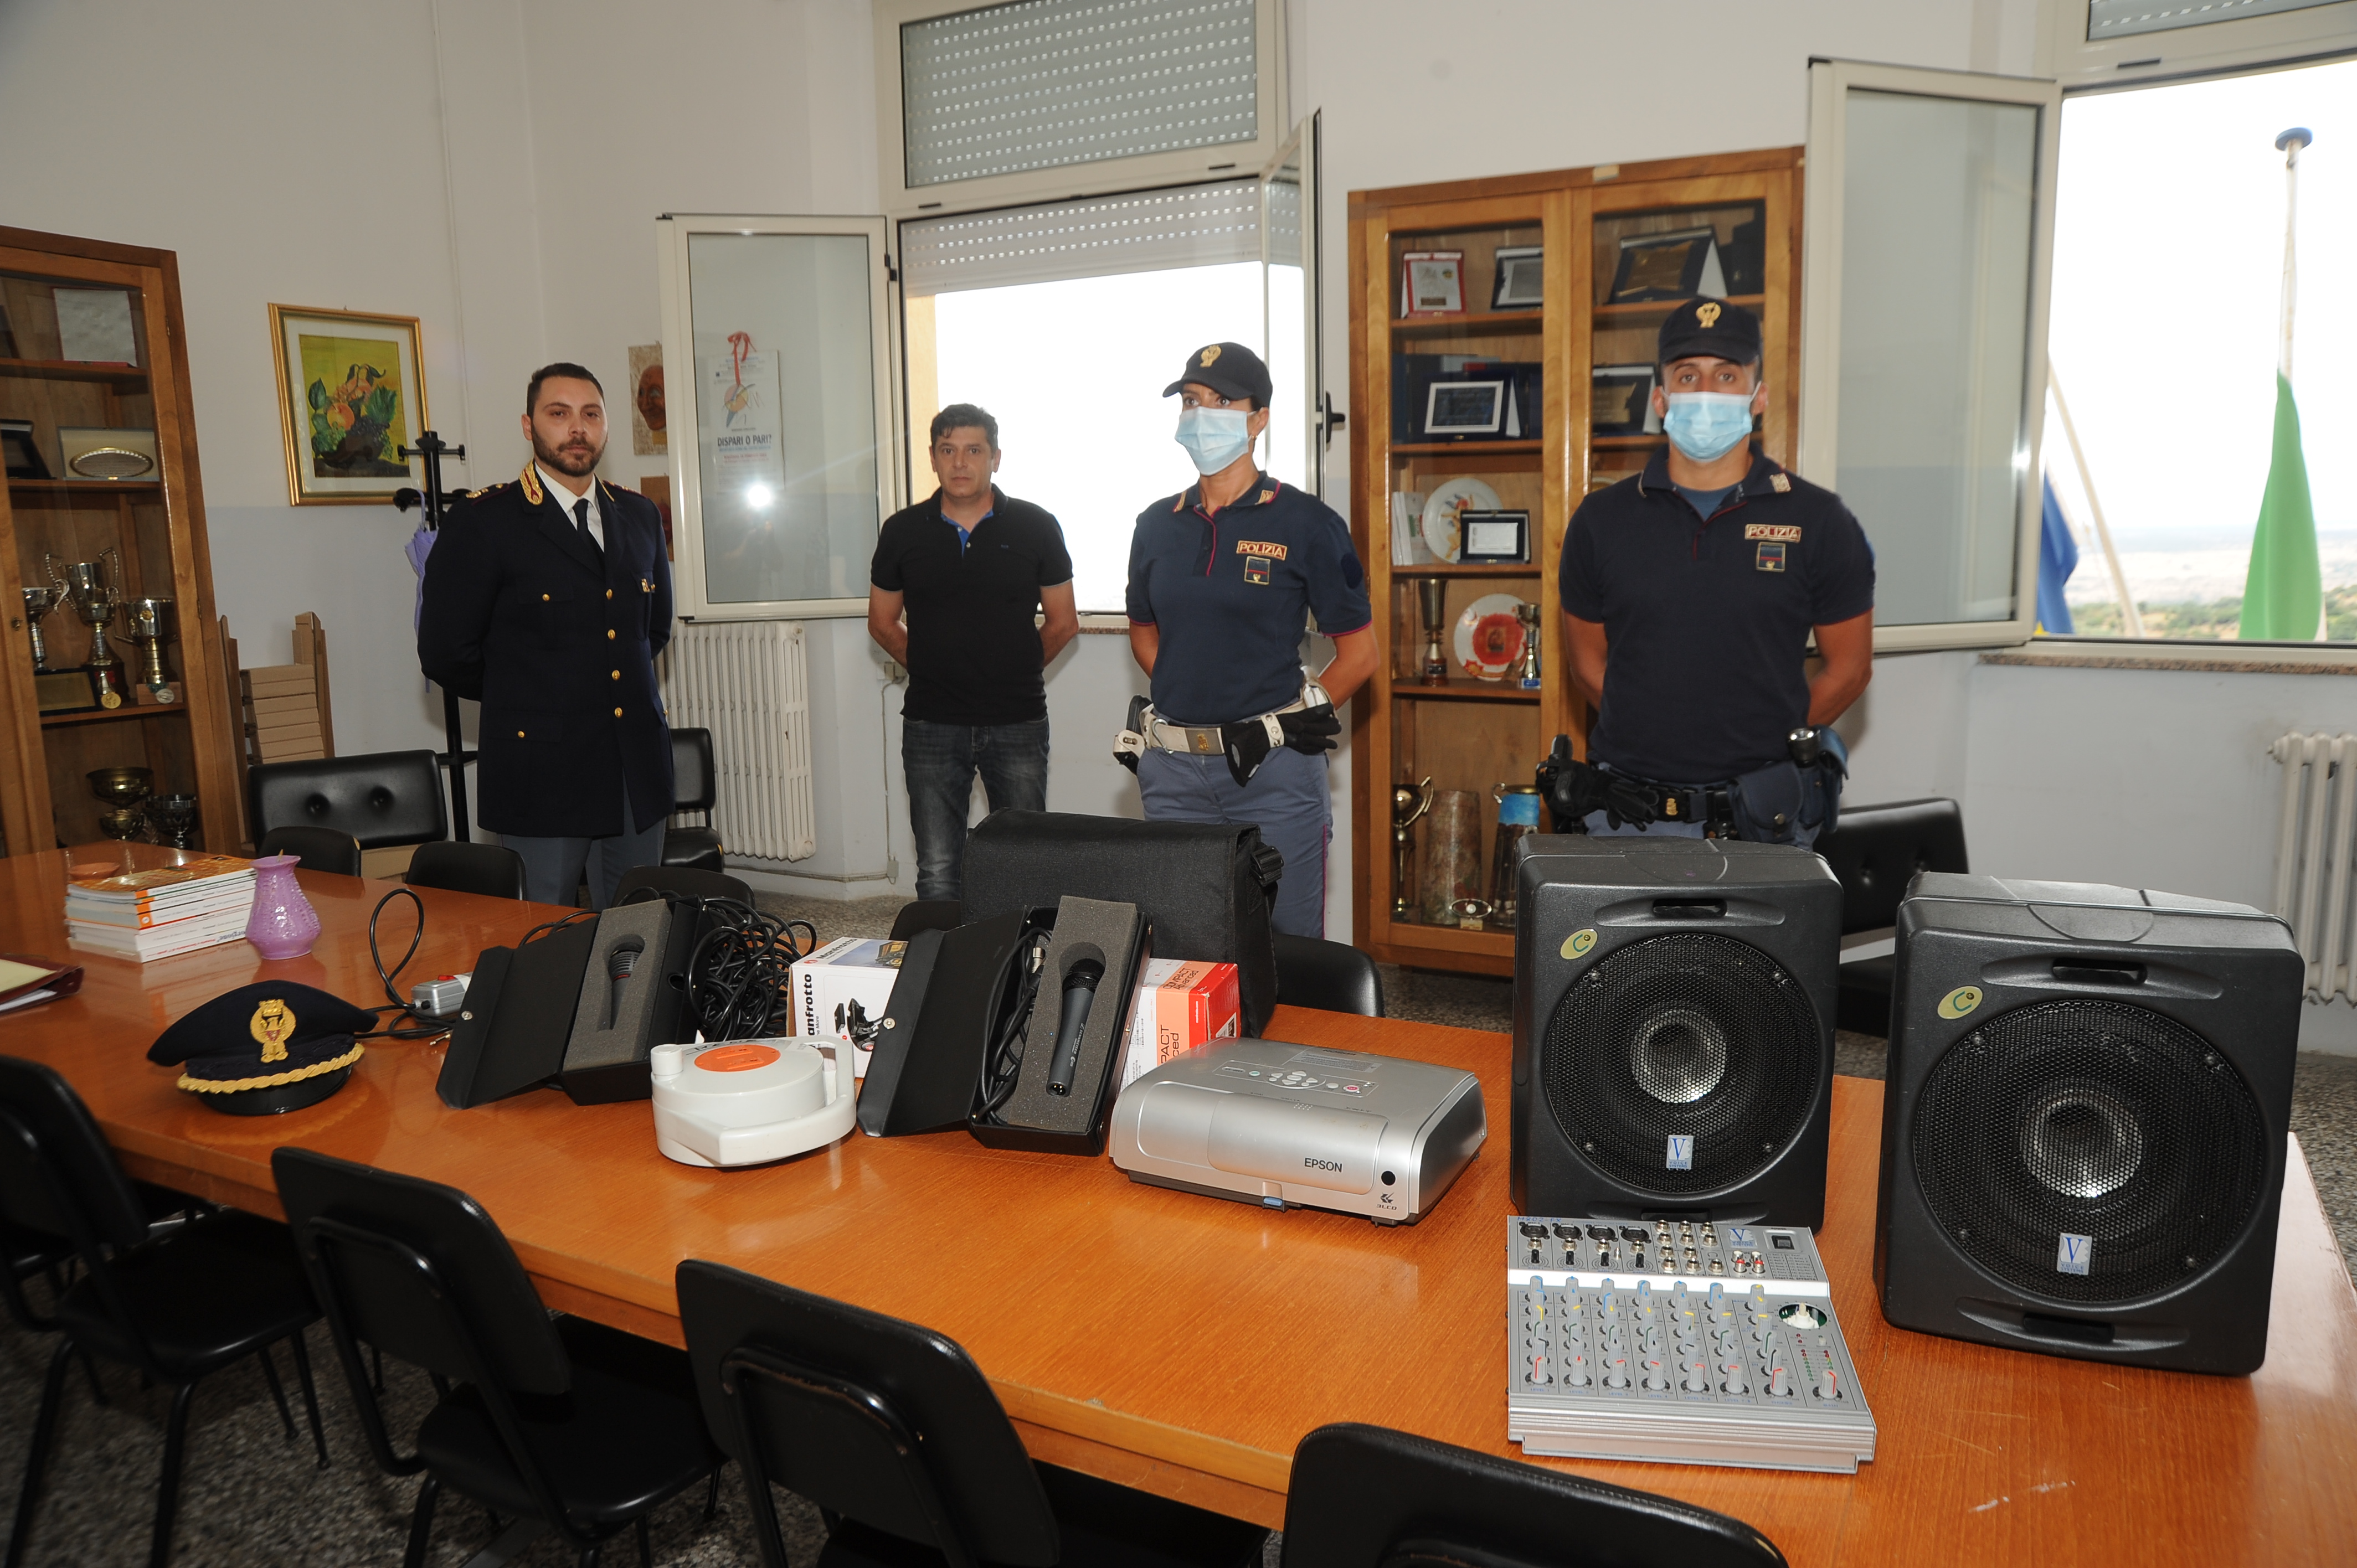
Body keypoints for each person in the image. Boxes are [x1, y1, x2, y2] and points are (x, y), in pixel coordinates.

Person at [1550, 297, 1874, 848]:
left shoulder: (1818, 521)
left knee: (1757, 943)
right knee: (1631, 943)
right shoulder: (1600, 521)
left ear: (1757, 398)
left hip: (1763, 818)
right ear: (1660, 398)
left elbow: (1848, 669)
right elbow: (1585, 665)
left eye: (1726, 375)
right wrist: (1658, 729)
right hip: (1627, 817)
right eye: (1686, 375)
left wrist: (1767, 736)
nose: (1705, 392)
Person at [1120, 343, 1377, 937]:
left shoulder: (1307, 523)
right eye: (1190, 401)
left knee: (1283, 949)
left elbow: (1359, 655)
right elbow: (1143, 631)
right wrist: (1192, 696)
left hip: (1273, 777)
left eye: (1221, 401)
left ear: (1258, 419)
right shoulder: (1155, 524)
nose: (1201, 414)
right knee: (1183, 944)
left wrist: (1281, 727)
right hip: (1173, 773)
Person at [419, 362, 675, 908]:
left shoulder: (637, 515)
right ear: (528, 425)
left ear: (605, 426)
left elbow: (650, 631)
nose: (576, 428)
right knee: (544, 936)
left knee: (638, 931)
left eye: (590, 415)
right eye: (558, 414)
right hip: (541, 768)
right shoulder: (485, 521)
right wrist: (529, 699)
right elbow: (445, 650)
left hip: (634, 764)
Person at [868, 404, 1078, 902]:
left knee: (1026, 862)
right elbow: (881, 622)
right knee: (939, 871)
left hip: (1018, 720)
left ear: (996, 458)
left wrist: (1016, 669)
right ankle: (946, 973)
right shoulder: (902, 531)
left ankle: (1025, 973)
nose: (960, 462)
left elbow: (1064, 621)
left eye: (973, 450)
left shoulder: (1036, 526)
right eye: (948, 451)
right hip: (931, 724)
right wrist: (935, 668)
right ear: (934, 459)